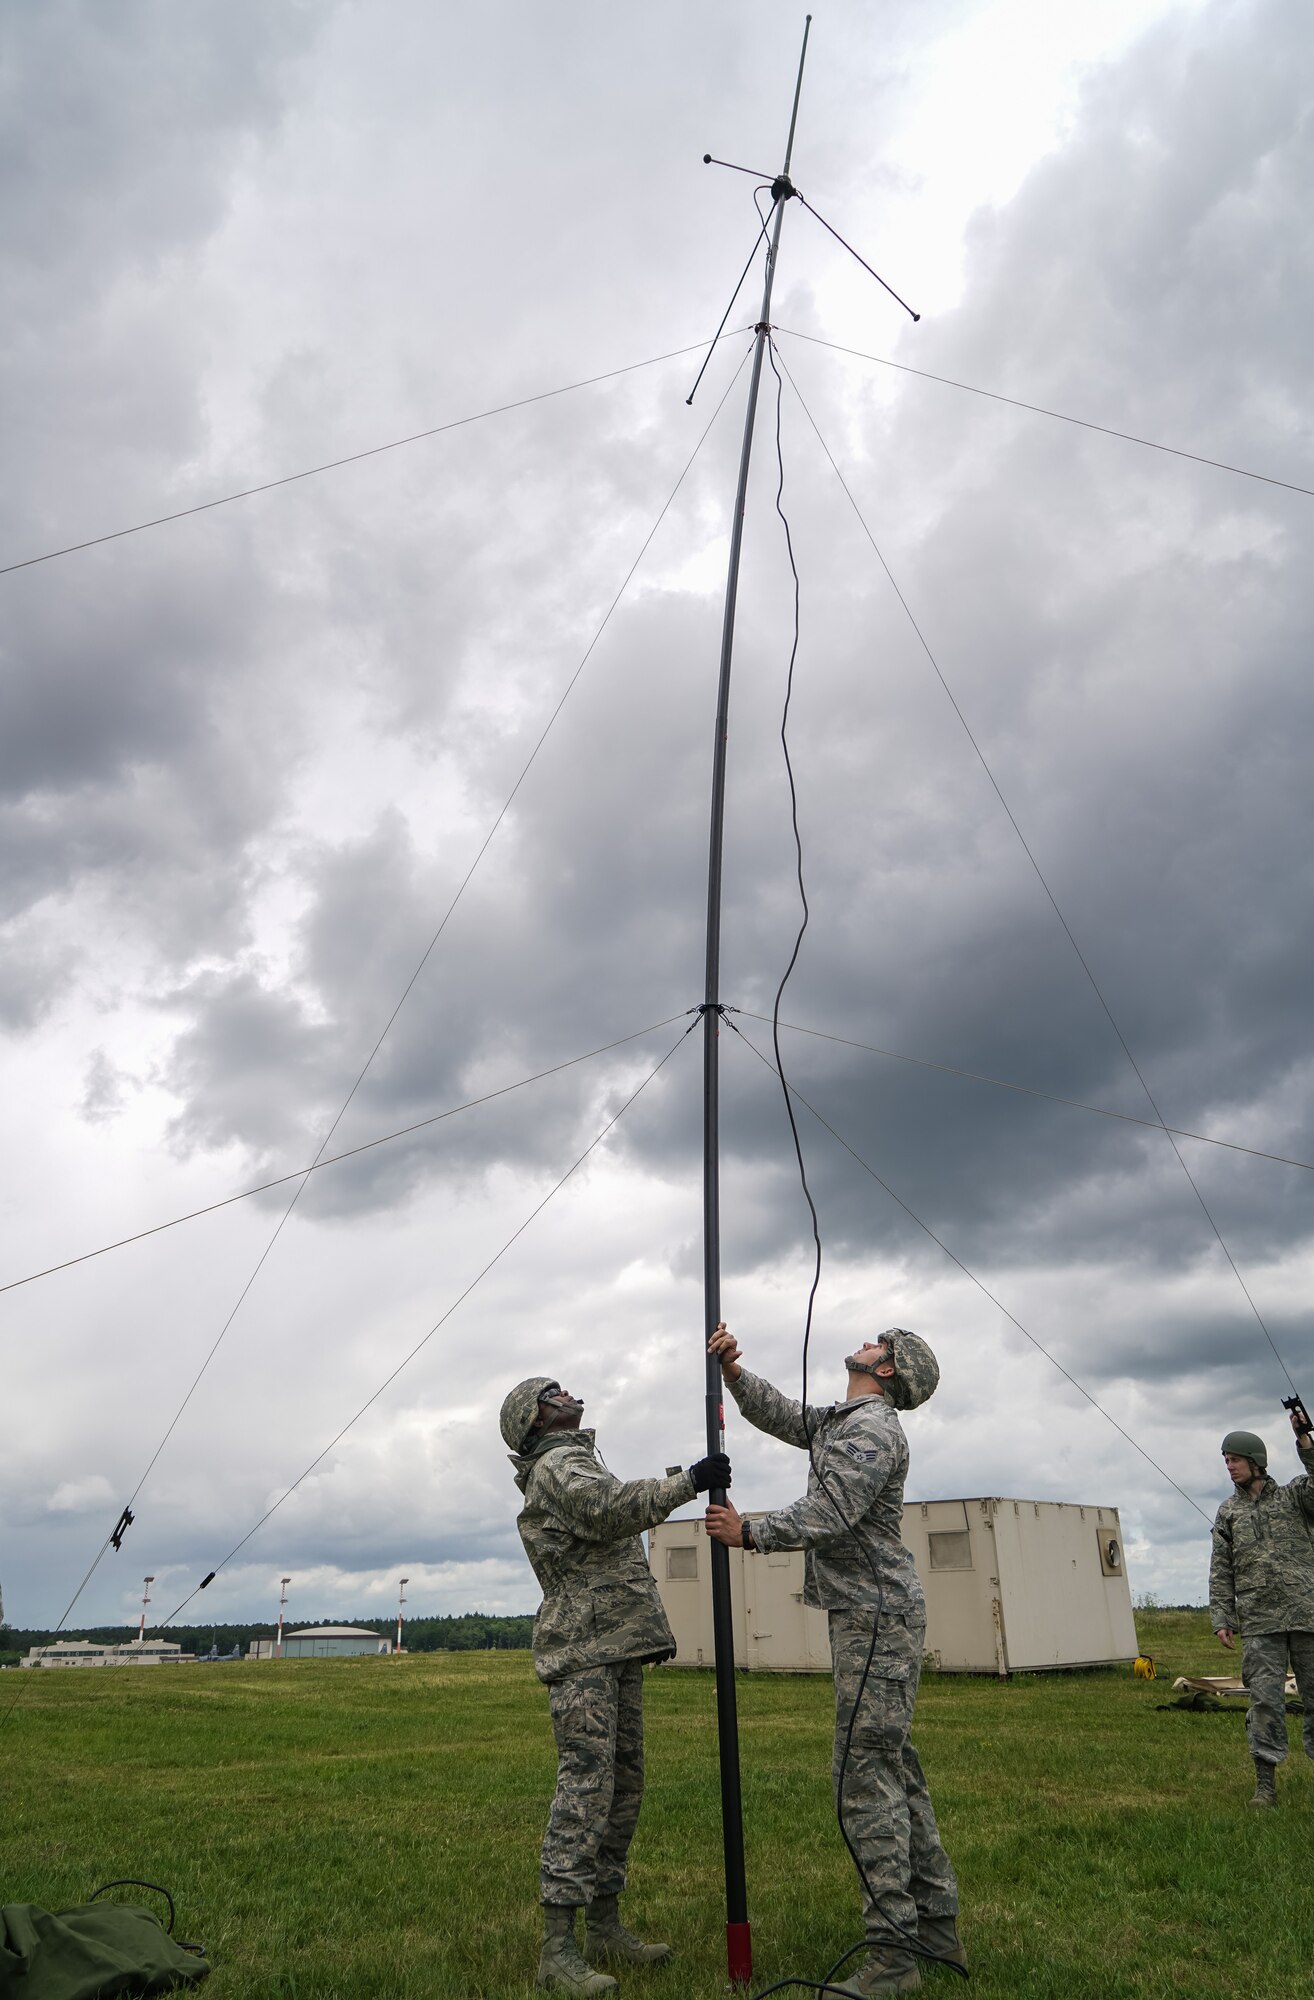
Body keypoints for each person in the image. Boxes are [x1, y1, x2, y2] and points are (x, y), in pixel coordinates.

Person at [705, 1324, 961, 2000]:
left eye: (881, 1341)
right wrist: (734, 1372)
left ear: (889, 1369)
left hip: (876, 1617)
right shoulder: (847, 1421)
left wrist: (750, 1532)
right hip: (871, 1615)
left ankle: (891, 1956)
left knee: (864, 1779)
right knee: (892, 1770)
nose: (867, 1340)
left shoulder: (872, 1430)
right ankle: (935, 1930)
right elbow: (785, 1415)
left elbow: (831, 1512)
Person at [500, 1373, 731, 1994]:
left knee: (623, 1787)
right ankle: (558, 1951)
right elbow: (610, 1511)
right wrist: (690, 1482)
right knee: (586, 1789)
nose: (569, 1393)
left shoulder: (577, 1459)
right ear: (536, 1418)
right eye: (555, 1392)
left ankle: (605, 1927)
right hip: (584, 1653)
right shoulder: (559, 1468)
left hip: (615, 1645)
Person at [1209, 1412, 1314, 1807]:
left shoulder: (1295, 1496)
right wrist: (1223, 1616)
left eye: (1234, 1459)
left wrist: (1305, 1440)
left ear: (1255, 1461)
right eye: (1225, 1460)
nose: (1229, 1467)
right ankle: (1265, 1787)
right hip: (1259, 1622)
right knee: (1265, 1702)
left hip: (1307, 1615)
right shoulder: (1228, 1513)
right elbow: (1221, 1568)